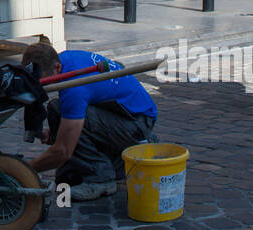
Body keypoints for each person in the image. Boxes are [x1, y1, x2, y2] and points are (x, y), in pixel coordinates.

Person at [21, 41, 158, 201]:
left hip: (137, 121)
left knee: (65, 113)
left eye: (44, 81)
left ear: (57, 68)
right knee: (67, 176)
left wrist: (24, 170)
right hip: (122, 112)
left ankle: (100, 179)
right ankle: (120, 159)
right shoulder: (65, 59)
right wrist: (55, 133)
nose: (43, 86)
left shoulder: (75, 89)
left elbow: (63, 151)